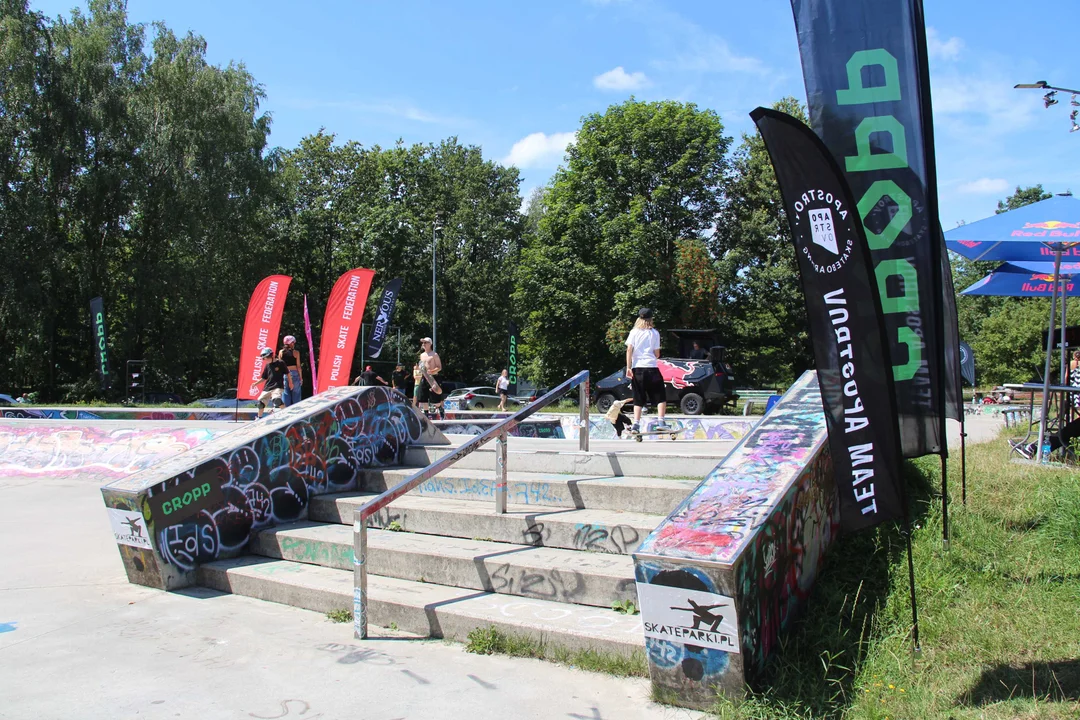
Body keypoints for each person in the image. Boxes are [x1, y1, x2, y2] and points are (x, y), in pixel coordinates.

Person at [625, 307, 668, 433]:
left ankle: (636, 425)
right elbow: (657, 354)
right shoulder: (655, 333)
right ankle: (661, 421)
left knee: (638, 397)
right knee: (660, 395)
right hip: (652, 368)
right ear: (651, 319)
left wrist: (628, 367)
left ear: (639, 318)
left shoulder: (633, 332)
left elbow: (629, 350)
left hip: (637, 369)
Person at [255, 347, 290, 419]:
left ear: (271, 356)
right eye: (264, 359)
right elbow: (264, 378)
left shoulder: (280, 363)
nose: (265, 360)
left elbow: (287, 373)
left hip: (277, 386)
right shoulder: (267, 366)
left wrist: (291, 383)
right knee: (260, 404)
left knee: (277, 400)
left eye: (266, 358)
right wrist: (255, 383)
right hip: (267, 387)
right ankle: (259, 418)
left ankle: (287, 415)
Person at [418, 337, 444, 418]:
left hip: (433, 378)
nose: (423, 344)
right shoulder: (422, 355)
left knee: (435, 400)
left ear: (430, 344)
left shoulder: (434, 355)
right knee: (422, 397)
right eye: (423, 343)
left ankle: (440, 407)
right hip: (424, 377)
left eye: (425, 343)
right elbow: (422, 366)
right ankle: (426, 414)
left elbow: (439, 367)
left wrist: (432, 371)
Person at [278, 335, 303, 407]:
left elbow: (280, 365)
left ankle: (286, 410)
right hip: (294, 373)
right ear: (291, 343)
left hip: (285, 374)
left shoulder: (281, 352)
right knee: (296, 393)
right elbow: (298, 366)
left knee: (286, 393)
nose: (294, 344)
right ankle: (297, 411)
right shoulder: (296, 352)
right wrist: (300, 377)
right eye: (293, 343)